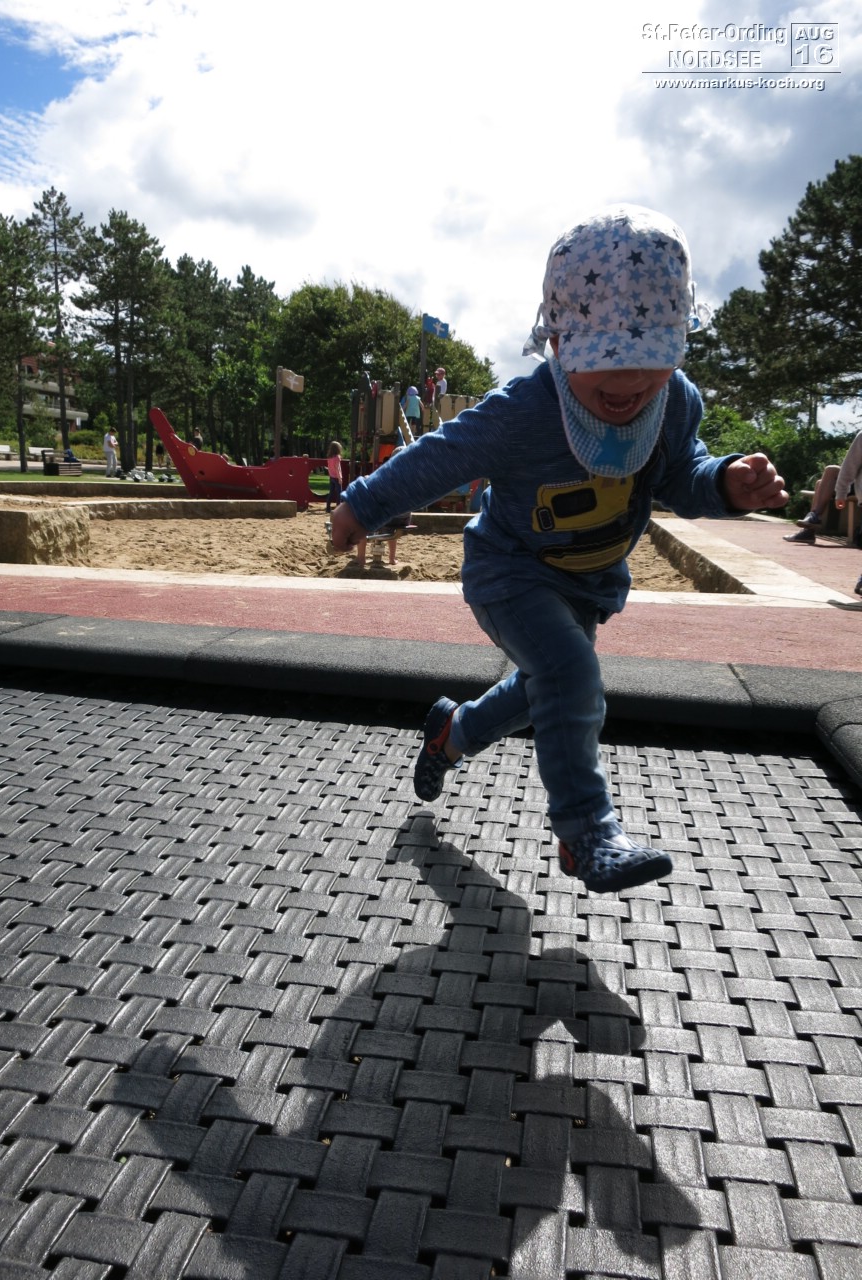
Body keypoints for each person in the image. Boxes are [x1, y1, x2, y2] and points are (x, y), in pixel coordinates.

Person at [331, 205, 787, 894]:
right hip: (508, 571)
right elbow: (440, 456)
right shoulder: (525, 410)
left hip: (586, 587)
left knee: (539, 689)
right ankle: (586, 833)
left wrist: (723, 482)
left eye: (649, 365)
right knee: (571, 676)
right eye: (604, 368)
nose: (628, 385)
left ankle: (453, 732)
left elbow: (680, 476)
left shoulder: (674, 403)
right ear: (558, 342)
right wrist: (363, 505)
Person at [785, 429, 862, 549]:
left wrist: (841, 493)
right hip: (855, 485)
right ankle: (812, 523)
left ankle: (811, 525)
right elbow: (849, 466)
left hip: (856, 487)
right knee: (823, 479)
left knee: (826, 477)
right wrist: (841, 493)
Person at [326, 440, 344, 512]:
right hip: (337, 477)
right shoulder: (337, 457)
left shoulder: (329, 457)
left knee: (331, 493)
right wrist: (340, 478)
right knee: (339, 493)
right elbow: (337, 469)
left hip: (331, 477)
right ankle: (338, 508)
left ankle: (328, 507)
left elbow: (330, 468)